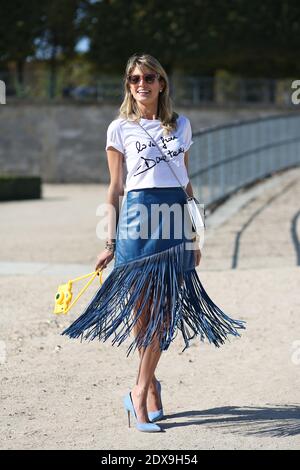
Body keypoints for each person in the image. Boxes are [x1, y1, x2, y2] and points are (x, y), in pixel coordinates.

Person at [62, 53, 245, 433]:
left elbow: (186, 183)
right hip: (137, 220)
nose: (140, 84)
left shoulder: (182, 126)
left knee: (164, 313)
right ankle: (150, 386)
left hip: (174, 219)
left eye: (148, 77)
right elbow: (115, 188)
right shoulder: (119, 129)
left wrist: (196, 235)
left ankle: (140, 388)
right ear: (128, 85)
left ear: (162, 83)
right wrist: (109, 243)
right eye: (133, 79)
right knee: (143, 313)